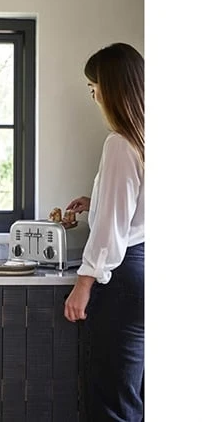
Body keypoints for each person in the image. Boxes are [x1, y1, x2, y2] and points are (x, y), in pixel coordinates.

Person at [64, 43, 144, 422]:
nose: (93, 95)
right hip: (146, 269)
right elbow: (136, 210)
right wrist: (94, 200)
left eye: (94, 87)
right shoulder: (146, 138)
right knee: (134, 390)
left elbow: (112, 230)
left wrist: (84, 283)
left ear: (110, 89)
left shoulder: (119, 143)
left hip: (124, 277)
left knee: (112, 396)